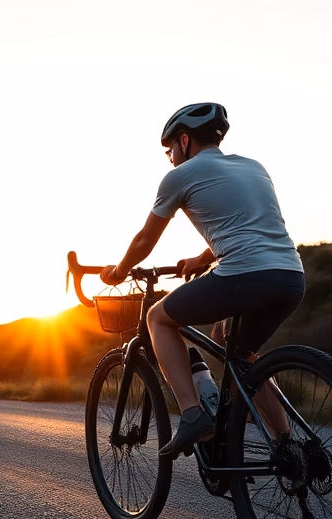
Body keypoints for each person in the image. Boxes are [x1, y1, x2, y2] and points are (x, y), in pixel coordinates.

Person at [99, 103, 305, 458]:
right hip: (290, 276)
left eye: (169, 151)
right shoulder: (254, 167)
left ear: (183, 140)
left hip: (245, 273)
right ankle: (289, 448)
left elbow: (144, 241)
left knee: (157, 318)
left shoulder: (180, 176)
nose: (171, 158)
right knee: (236, 350)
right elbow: (251, 225)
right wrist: (203, 258)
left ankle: (193, 415)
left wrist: (117, 272)